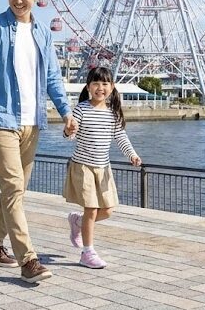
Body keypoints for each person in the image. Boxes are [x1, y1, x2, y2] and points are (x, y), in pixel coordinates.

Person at [0, 0, 73, 283]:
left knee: (16, 190)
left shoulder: (43, 33)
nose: (18, 0)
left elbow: (54, 78)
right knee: (14, 187)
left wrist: (67, 112)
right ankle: (28, 259)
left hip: (33, 122)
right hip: (2, 120)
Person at [63, 66, 141, 269]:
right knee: (92, 208)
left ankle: (77, 223)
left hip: (103, 168)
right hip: (83, 166)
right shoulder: (81, 109)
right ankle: (87, 252)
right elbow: (70, 133)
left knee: (107, 210)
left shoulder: (113, 113)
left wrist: (131, 154)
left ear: (112, 87)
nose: (100, 87)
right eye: (96, 83)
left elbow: (120, 136)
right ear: (88, 87)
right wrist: (69, 130)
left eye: (105, 83)